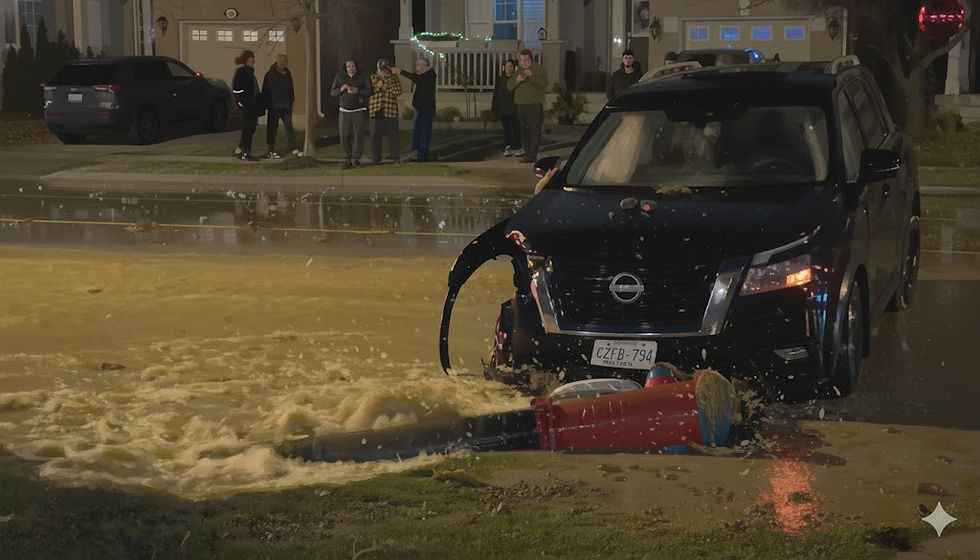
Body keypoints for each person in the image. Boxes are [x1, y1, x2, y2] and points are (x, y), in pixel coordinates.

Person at [330, 57, 372, 169]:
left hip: (359, 110)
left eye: (352, 66)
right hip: (344, 111)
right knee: (344, 135)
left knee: (359, 135)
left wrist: (357, 90)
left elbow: (369, 91)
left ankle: (356, 159)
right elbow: (333, 92)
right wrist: (341, 89)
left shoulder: (362, 76)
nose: (351, 68)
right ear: (345, 67)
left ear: (356, 66)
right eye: (348, 66)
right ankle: (347, 159)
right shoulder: (339, 76)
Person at [507, 49, 548, 164]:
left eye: (526, 60)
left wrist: (531, 77)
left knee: (534, 129)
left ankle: (532, 154)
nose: (524, 63)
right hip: (520, 104)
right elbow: (509, 85)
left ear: (530, 59)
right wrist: (517, 80)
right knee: (524, 130)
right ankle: (527, 152)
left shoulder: (538, 69)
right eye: (521, 60)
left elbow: (543, 84)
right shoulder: (519, 70)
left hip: (534, 104)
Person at [392, 58, 436, 162]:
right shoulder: (422, 76)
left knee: (425, 132)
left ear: (426, 66)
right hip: (419, 109)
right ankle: (416, 151)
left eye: (419, 64)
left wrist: (400, 71)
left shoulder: (430, 75)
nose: (417, 66)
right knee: (416, 130)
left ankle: (423, 154)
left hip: (427, 109)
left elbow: (416, 78)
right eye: (417, 64)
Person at [261, 54, 298, 159]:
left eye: (285, 61)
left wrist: (291, 101)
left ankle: (291, 147)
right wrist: (267, 105)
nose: (283, 63)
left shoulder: (287, 73)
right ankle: (271, 147)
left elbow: (290, 88)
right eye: (281, 61)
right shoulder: (270, 74)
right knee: (272, 128)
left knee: (289, 128)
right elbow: (265, 91)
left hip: (286, 107)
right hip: (274, 107)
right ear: (277, 61)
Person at [368, 58, 402, 164]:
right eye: (381, 69)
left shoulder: (394, 77)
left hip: (390, 110)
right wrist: (384, 86)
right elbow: (372, 90)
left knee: (393, 135)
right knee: (375, 135)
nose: (383, 71)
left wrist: (383, 86)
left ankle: (395, 156)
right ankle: (376, 157)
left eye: (385, 69)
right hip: (375, 109)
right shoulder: (372, 77)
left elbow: (398, 91)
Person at [232, 49, 262, 161]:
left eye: (253, 58)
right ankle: (246, 151)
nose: (253, 60)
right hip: (246, 104)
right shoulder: (242, 72)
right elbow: (236, 88)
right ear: (246, 60)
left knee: (251, 128)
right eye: (251, 58)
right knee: (248, 128)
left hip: (252, 105)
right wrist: (240, 102)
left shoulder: (251, 73)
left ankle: (240, 149)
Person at [491, 59, 522, 157]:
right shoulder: (500, 80)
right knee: (506, 129)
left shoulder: (517, 79)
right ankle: (507, 147)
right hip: (504, 109)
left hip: (515, 109)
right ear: (504, 67)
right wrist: (495, 109)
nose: (509, 68)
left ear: (514, 68)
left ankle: (517, 147)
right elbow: (496, 95)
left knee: (516, 128)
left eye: (511, 66)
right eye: (507, 66)